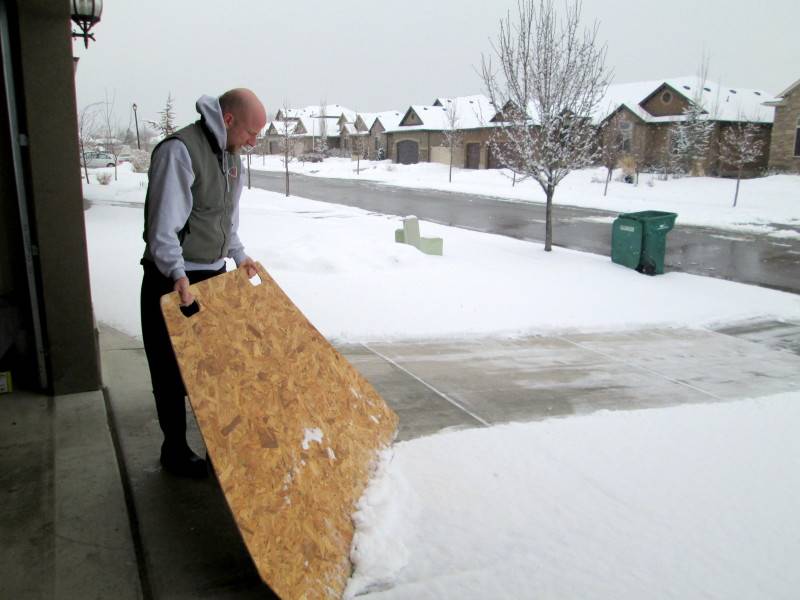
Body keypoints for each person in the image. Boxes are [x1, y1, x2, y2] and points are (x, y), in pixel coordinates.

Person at [140, 89, 266, 478]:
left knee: (216, 368)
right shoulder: (179, 151)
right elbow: (163, 227)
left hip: (213, 276)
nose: (253, 141)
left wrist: (240, 256)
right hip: (173, 278)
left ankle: (220, 448)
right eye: (250, 131)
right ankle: (174, 451)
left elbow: (226, 220)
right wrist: (177, 275)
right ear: (228, 120)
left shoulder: (231, 158)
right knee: (171, 372)